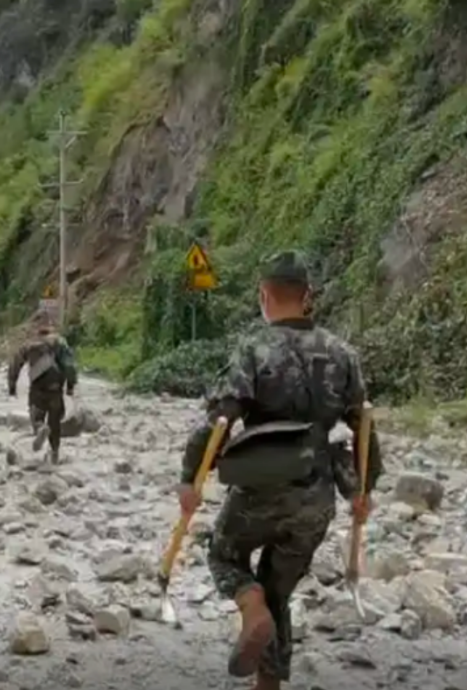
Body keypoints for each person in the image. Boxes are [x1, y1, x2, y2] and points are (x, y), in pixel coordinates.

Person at [176, 251, 382, 690]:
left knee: (225, 555)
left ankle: (250, 608)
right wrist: (362, 490)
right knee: (279, 590)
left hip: (259, 488)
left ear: (264, 296)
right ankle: (268, 682)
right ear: (307, 298)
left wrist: (191, 477)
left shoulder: (254, 348)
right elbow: (363, 424)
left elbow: (220, 419)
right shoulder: (343, 353)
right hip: (315, 495)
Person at [6, 311, 77, 463]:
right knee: (55, 424)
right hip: (55, 390)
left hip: (38, 390)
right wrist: (70, 386)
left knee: (36, 417)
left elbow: (15, 364)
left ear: (35, 327)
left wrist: (12, 385)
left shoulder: (30, 344)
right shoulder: (60, 342)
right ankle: (55, 454)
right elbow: (70, 366)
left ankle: (39, 428)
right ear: (51, 326)